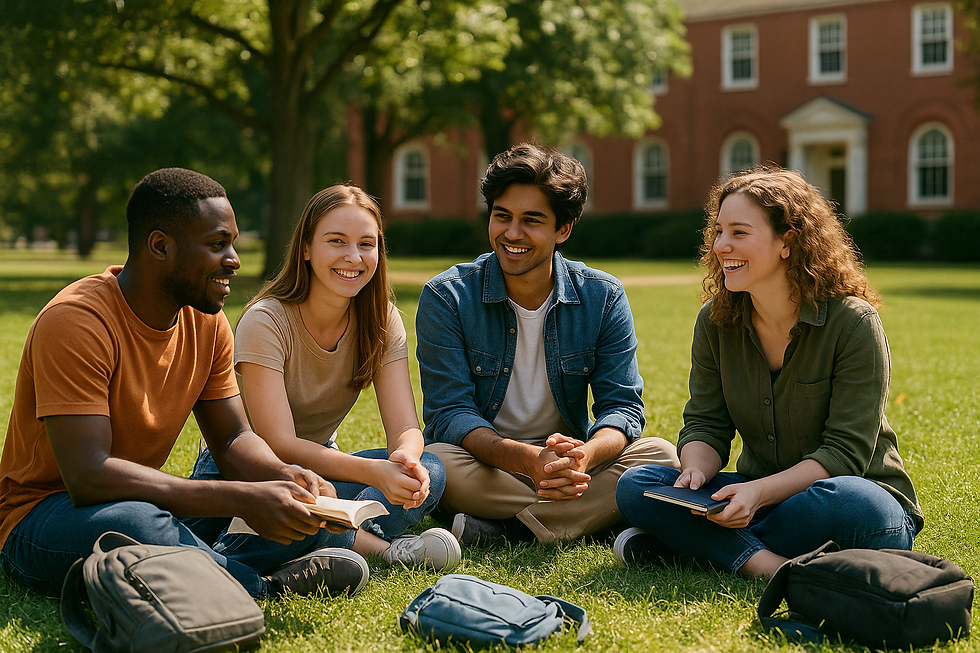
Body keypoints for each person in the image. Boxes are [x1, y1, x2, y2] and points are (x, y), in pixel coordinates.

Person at [0, 168, 370, 599]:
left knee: (304, 517)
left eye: (232, 242)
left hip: (144, 504)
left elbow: (233, 439)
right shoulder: (77, 322)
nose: (233, 259)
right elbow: (89, 476)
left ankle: (199, 562)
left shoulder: (207, 322)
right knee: (135, 524)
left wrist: (284, 476)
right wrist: (241, 500)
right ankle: (259, 586)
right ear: (160, 246)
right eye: (217, 245)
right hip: (46, 517)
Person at [614, 166, 923, 578]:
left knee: (856, 505)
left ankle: (696, 545)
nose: (722, 245)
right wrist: (693, 474)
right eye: (719, 231)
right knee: (638, 484)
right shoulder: (715, 321)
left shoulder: (853, 323)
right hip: (757, 493)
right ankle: (769, 564)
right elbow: (706, 424)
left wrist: (758, 494)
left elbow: (844, 454)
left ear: (787, 242)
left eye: (739, 233)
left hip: (849, 497)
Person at [417, 143, 679, 545]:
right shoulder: (447, 297)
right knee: (437, 463)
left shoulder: (602, 296)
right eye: (502, 216)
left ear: (563, 229)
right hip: (487, 462)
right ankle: (581, 519)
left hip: (568, 461)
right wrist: (527, 460)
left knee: (660, 455)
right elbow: (450, 414)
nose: (512, 233)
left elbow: (623, 406)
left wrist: (582, 458)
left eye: (532, 220)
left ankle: (509, 530)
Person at [190, 184, 460, 571]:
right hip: (246, 474)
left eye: (366, 244)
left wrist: (406, 458)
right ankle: (384, 551)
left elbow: (405, 426)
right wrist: (374, 473)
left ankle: (311, 541)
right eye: (337, 241)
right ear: (306, 248)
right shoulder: (266, 320)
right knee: (304, 503)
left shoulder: (382, 321)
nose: (354, 257)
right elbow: (278, 444)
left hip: (322, 471)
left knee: (431, 469)